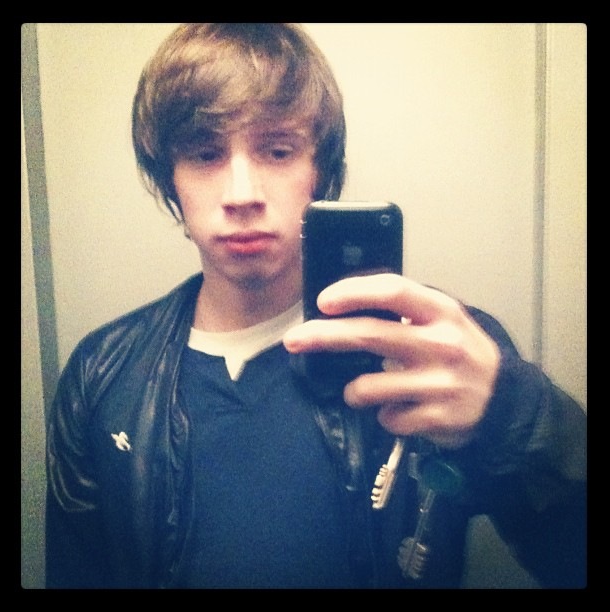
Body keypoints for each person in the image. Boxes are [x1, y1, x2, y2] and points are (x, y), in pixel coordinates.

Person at [45, 23, 586, 589]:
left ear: (320, 173)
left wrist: (509, 413)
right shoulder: (102, 373)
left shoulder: (436, 353)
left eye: (278, 150)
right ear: (170, 180)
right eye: (205, 154)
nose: (242, 194)